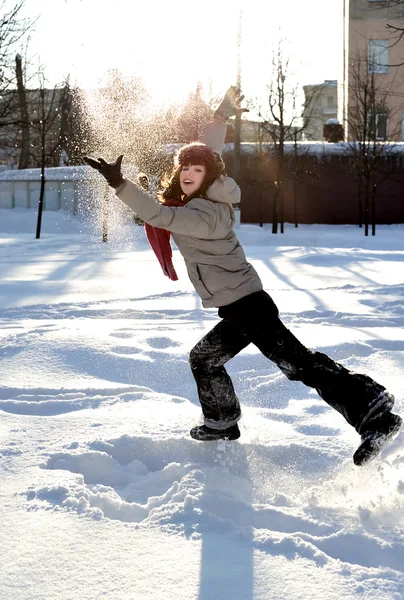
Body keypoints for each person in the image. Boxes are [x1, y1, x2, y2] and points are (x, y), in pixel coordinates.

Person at [84, 87, 402, 466]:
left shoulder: (206, 213)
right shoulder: (201, 199)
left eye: (197, 169)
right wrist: (220, 117)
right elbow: (209, 150)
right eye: (185, 167)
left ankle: (374, 412)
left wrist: (119, 184)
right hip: (237, 309)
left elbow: (159, 216)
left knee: (298, 365)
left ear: (208, 177)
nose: (188, 173)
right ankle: (221, 422)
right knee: (204, 359)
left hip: (249, 308)